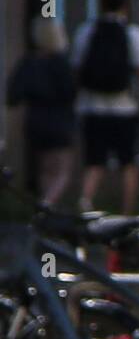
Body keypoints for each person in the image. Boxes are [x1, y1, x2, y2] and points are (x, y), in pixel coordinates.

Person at [71, 0, 139, 214]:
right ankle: (126, 213)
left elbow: (77, 71)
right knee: (128, 163)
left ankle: (85, 203)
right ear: (125, 4)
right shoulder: (133, 34)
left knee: (94, 162)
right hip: (124, 108)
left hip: (91, 107)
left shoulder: (86, 32)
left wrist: (75, 100)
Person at [6, 18, 77, 205]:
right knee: (62, 171)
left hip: (35, 122)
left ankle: (45, 215)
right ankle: (46, 205)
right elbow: (71, 92)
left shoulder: (29, 62)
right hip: (59, 122)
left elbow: (13, 96)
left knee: (45, 171)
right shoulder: (61, 63)